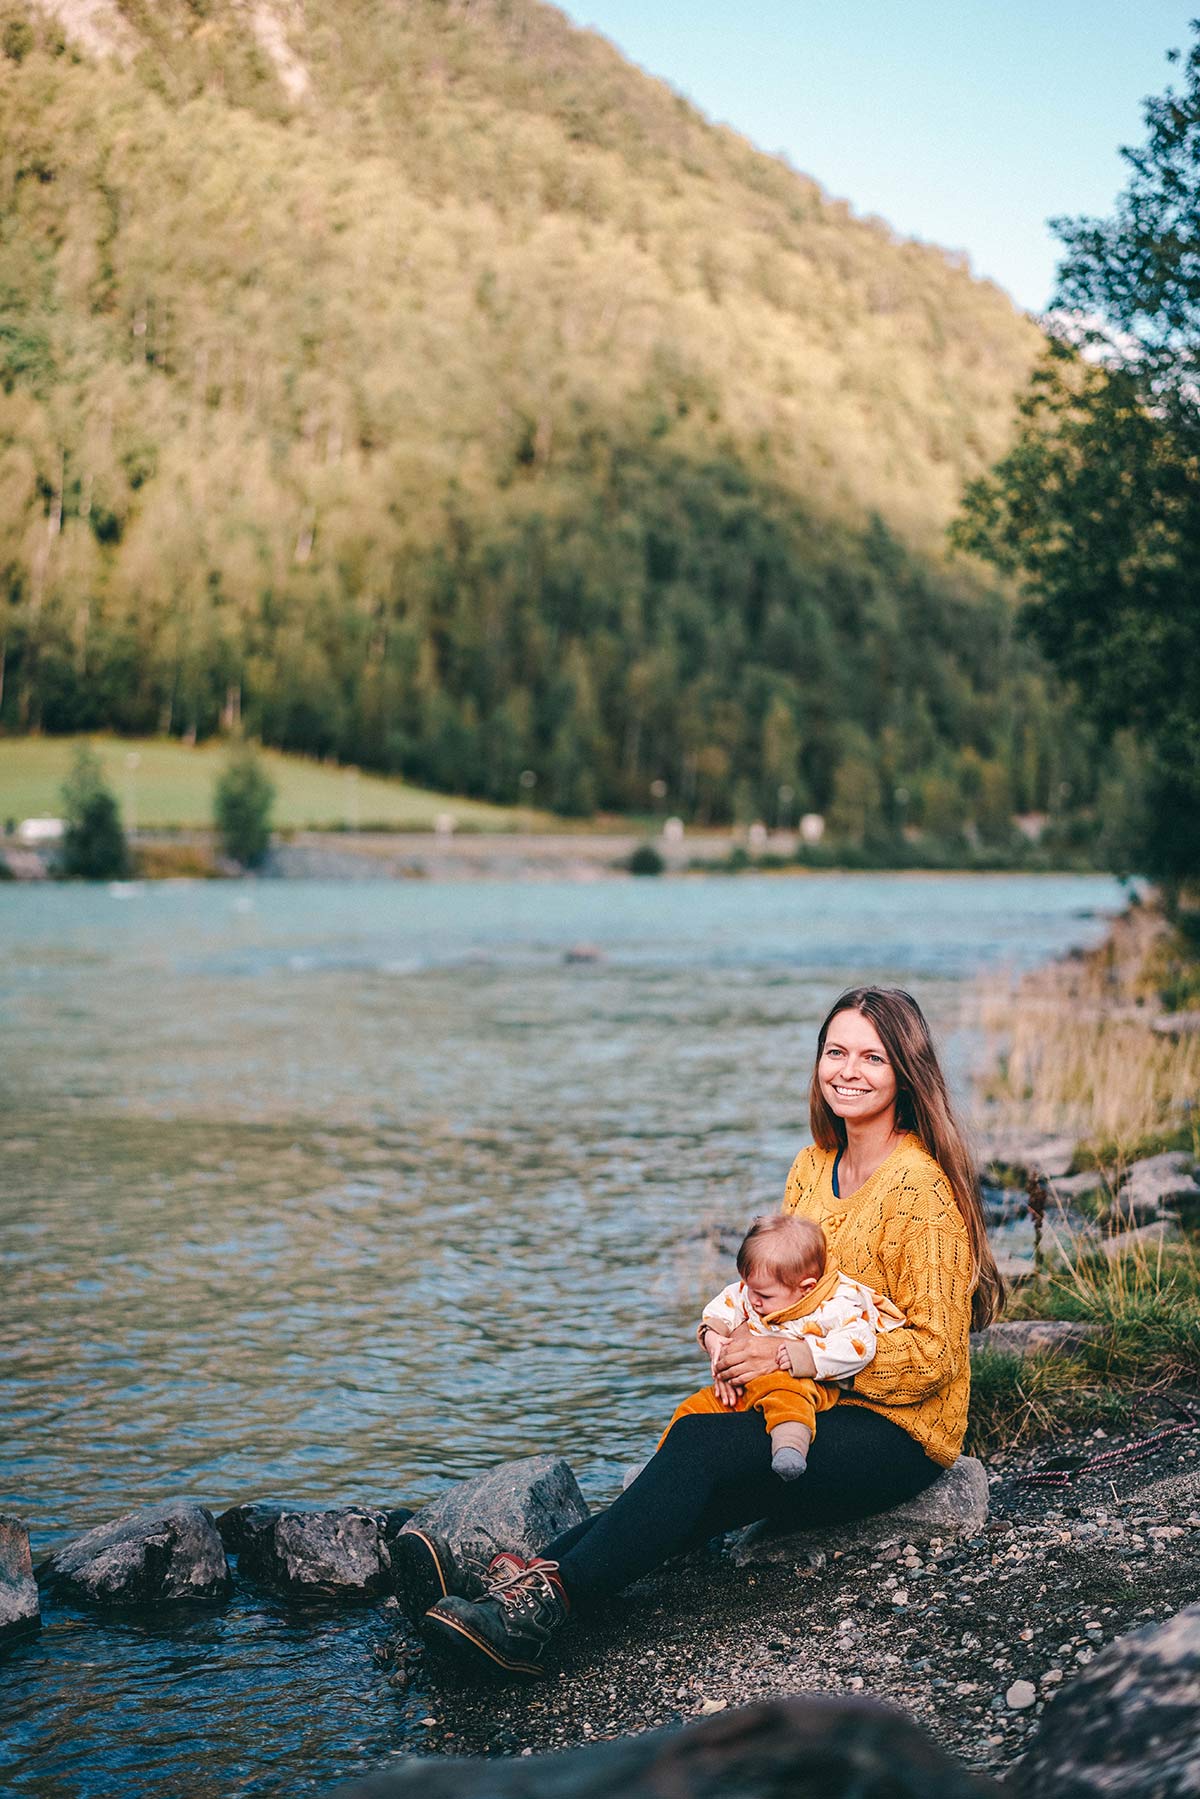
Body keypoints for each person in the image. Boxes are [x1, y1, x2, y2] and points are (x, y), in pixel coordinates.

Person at [395, 984, 1004, 1679]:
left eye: (872, 1056)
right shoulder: (811, 1166)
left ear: (906, 1070)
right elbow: (770, 1291)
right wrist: (730, 1342)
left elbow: (934, 1358)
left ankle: (535, 1605)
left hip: (899, 1430)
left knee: (701, 1448)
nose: (848, 1069)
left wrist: (791, 1354)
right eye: (835, 1050)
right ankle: (520, 1592)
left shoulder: (919, 1191)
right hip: (802, 1404)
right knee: (702, 1476)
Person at [662, 1211, 906, 1478]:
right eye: (748, 1287)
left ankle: (789, 1451)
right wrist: (715, 1340)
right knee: (693, 1409)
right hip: (745, 1384)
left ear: (806, 1288)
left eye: (763, 1295)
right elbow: (725, 1307)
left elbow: (859, 1346)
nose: (752, 1300)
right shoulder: (755, 1290)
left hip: (801, 1382)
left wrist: (804, 1356)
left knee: (788, 1397)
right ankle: (660, 1464)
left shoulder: (834, 1306)